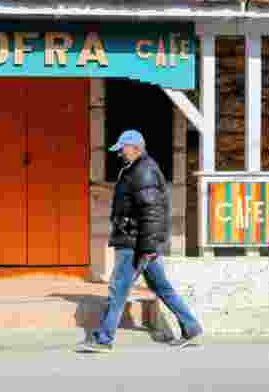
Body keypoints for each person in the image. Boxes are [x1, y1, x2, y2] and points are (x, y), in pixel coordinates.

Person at [77, 129, 202, 353]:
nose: (120, 154)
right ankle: (191, 327)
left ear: (134, 148)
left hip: (135, 243)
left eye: (122, 149)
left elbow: (152, 212)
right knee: (162, 288)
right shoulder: (136, 168)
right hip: (141, 242)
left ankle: (103, 339)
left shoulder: (143, 171)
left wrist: (146, 248)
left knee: (118, 290)